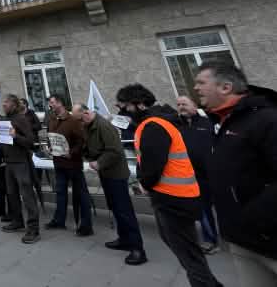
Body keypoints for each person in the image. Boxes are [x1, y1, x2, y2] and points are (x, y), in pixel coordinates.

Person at [117, 83, 221, 287]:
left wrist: (143, 183)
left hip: (172, 199)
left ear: (139, 105)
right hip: (177, 196)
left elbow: (152, 165)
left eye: (125, 106)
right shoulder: (161, 121)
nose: (123, 111)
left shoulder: (153, 126)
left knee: (189, 254)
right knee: (188, 251)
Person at [195, 63, 277, 286]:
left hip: (268, 239)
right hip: (241, 240)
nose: (196, 88)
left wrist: (251, 217)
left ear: (226, 87)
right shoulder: (220, 121)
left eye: (201, 82)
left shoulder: (266, 119)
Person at [80, 104, 147, 265]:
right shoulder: (90, 126)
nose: (80, 123)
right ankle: (124, 239)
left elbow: (114, 150)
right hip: (107, 174)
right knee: (115, 208)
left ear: (87, 113)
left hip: (116, 174)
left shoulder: (104, 126)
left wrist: (99, 163)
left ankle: (138, 249)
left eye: (80, 118)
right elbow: (92, 148)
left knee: (124, 211)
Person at [176, 95, 218, 254]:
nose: (181, 106)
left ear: (194, 105)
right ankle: (210, 240)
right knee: (204, 210)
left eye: (184, 103)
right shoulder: (178, 126)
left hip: (215, 173)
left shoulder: (208, 122)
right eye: (178, 104)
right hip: (194, 175)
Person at [0, 95, 40, 244]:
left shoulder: (21, 119)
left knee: (27, 195)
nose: (3, 105)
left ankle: (33, 229)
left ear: (14, 104)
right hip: (9, 162)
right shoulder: (6, 119)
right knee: (12, 194)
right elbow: (5, 141)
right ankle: (17, 220)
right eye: (3, 103)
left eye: (6, 102)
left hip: (21, 163)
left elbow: (31, 141)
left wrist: (16, 136)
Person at [46, 98, 93, 236]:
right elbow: (51, 138)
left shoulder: (73, 121)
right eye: (50, 103)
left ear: (60, 103)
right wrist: (50, 148)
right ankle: (59, 220)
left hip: (73, 164)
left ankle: (86, 226)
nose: (50, 105)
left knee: (81, 195)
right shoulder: (52, 120)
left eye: (52, 102)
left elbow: (82, 142)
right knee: (60, 193)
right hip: (58, 163)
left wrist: (71, 153)